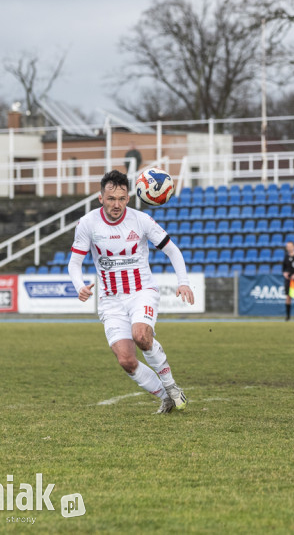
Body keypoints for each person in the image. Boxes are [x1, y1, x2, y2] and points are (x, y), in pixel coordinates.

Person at [67, 170, 193, 414]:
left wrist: (183, 281)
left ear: (129, 198)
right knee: (126, 360)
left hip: (140, 291)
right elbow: (74, 263)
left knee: (141, 336)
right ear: (100, 198)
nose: (117, 204)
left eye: (122, 198)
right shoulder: (87, 224)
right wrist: (79, 286)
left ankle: (171, 386)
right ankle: (164, 396)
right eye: (111, 198)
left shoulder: (141, 220)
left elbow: (172, 250)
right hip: (110, 300)